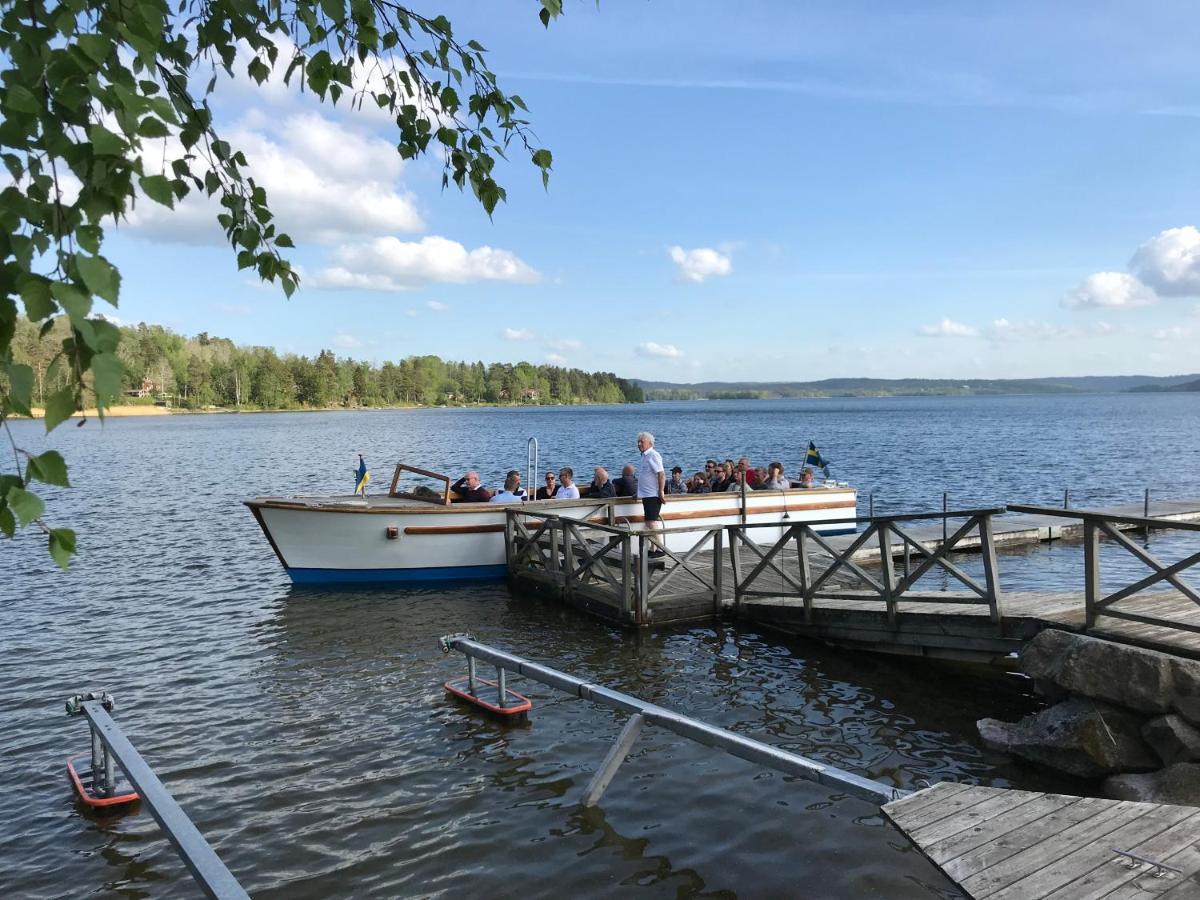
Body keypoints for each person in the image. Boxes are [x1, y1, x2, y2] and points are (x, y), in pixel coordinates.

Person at [635, 432, 666, 552]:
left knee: (652, 522)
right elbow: (645, 476)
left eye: (641, 442)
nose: (639, 444)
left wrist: (661, 491)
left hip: (653, 494)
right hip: (646, 494)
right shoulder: (644, 456)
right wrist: (637, 492)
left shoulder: (653, 455)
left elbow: (661, 474)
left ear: (650, 443)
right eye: (638, 442)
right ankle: (653, 549)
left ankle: (660, 549)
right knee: (648, 522)